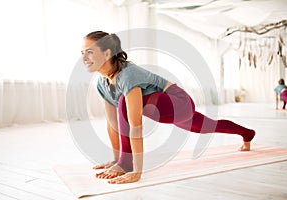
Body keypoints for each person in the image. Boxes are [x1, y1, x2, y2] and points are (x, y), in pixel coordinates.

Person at [81, 31, 256, 184]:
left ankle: (127, 162)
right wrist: (115, 159)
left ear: (107, 54)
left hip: (179, 102)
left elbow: (135, 125)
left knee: (123, 102)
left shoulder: (127, 75)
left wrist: (136, 171)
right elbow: (113, 123)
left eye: (89, 52)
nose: (84, 58)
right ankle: (247, 133)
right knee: (208, 126)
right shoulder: (102, 83)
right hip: (164, 109)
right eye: (82, 53)